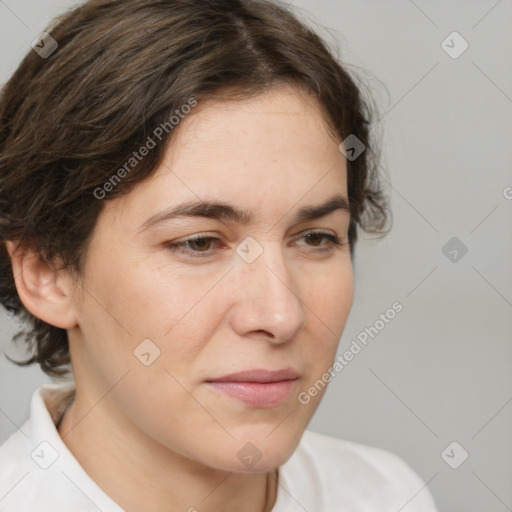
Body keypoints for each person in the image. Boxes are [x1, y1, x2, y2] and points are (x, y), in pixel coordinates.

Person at [0, 0, 438, 510]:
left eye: (315, 238)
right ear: (46, 273)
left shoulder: (386, 495)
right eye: (199, 243)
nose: (281, 314)